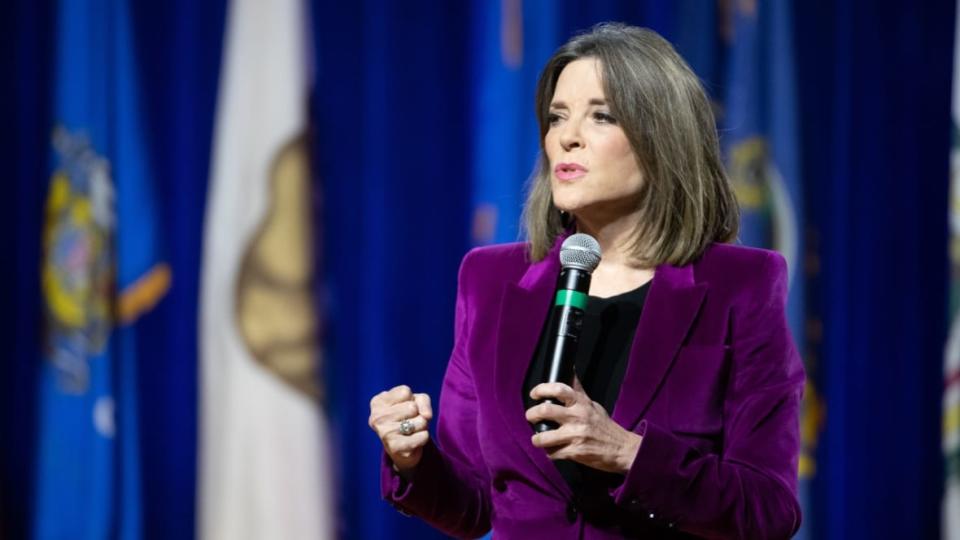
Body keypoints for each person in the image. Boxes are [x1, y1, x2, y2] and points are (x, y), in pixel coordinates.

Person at [368, 23, 804, 539]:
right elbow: (475, 504)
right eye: (557, 117)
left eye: (601, 115)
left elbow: (769, 510)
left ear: (660, 137)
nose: (567, 136)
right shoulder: (488, 280)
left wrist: (628, 453)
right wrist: (411, 458)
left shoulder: (741, 285)